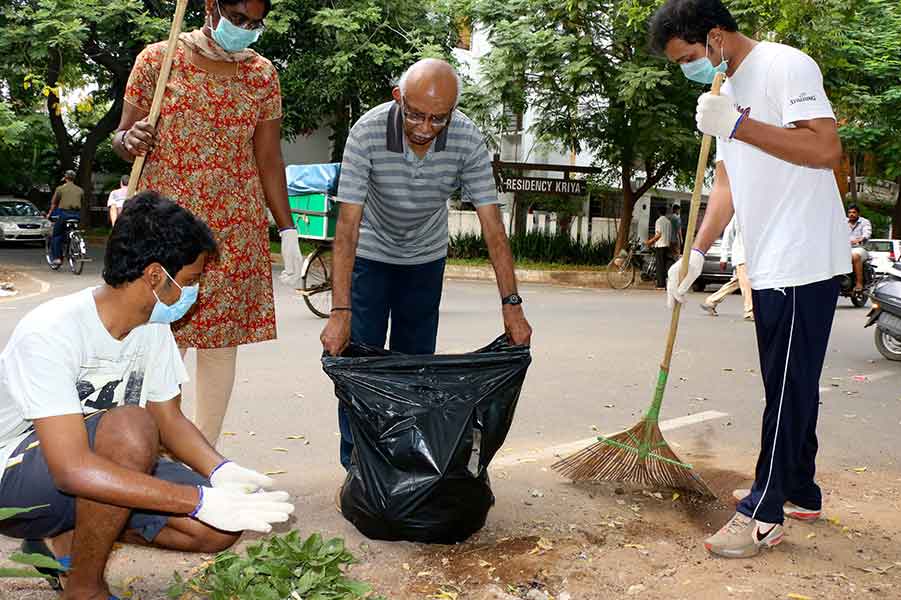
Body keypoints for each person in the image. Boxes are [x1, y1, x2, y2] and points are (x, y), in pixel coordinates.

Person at [0, 193, 294, 600]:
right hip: (15, 480)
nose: (195, 291)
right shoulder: (50, 331)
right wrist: (194, 499)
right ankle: (84, 588)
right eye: (190, 280)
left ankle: (63, 541)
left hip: (90, 470)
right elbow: (70, 469)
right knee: (130, 426)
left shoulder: (151, 328)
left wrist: (222, 472)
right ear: (156, 276)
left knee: (214, 527)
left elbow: (169, 419)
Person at [651, 0, 851, 558]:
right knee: (789, 382)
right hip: (767, 258)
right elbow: (727, 185)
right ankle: (800, 489)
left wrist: (739, 124)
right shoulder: (720, 91)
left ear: (715, 35)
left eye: (690, 56)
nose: (688, 68)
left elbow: (825, 148)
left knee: (786, 384)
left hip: (804, 255)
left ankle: (763, 511)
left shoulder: (787, 65)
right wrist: (693, 252)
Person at [319, 58, 533, 470]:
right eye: (415, 114)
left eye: (439, 118)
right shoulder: (366, 133)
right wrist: (339, 310)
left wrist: (513, 305)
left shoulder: (468, 139)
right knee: (357, 363)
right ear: (398, 98)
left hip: (425, 259)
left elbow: (493, 228)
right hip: (370, 254)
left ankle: (403, 465)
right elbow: (346, 228)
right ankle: (356, 465)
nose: (424, 128)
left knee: (415, 368)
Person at [114, 0, 304, 447]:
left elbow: (269, 159)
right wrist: (131, 137)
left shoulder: (262, 76)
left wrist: (287, 228)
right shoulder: (157, 61)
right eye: (238, 19)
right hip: (164, 231)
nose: (247, 30)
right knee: (162, 340)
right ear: (209, 7)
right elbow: (122, 139)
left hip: (232, 232)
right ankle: (152, 450)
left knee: (220, 344)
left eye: (256, 24)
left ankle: (203, 455)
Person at [700, 216, 753, 320]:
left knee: (738, 282)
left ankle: (711, 301)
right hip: (742, 255)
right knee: (746, 284)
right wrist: (723, 257)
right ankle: (749, 311)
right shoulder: (738, 213)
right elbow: (728, 233)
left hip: (752, 257)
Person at [47, 170, 84, 265]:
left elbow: (54, 203)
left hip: (64, 214)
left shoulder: (60, 189)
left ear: (65, 178)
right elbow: (82, 202)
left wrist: (49, 214)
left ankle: (57, 258)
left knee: (56, 235)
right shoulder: (80, 190)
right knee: (70, 230)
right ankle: (72, 242)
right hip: (76, 215)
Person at [645, 206, 673, 289]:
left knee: (660, 266)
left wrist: (649, 242)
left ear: (658, 212)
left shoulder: (658, 221)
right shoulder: (668, 222)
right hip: (667, 245)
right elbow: (669, 235)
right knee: (664, 266)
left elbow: (658, 234)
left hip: (660, 245)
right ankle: (664, 284)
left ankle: (660, 285)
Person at [847, 204, 872, 291]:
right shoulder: (843, 222)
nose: (851, 214)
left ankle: (859, 283)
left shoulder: (865, 222)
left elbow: (867, 233)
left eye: (854, 212)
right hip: (845, 248)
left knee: (855, 256)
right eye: (849, 212)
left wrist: (862, 238)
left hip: (860, 248)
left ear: (858, 213)